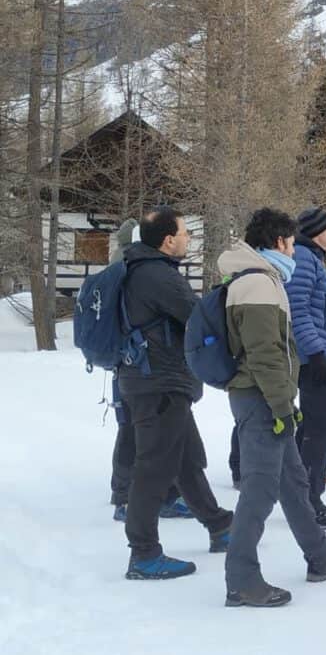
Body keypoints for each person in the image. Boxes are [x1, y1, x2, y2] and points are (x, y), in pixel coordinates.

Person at [221, 208, 326, 608]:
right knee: (260, 489)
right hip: (261, 397)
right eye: (290, 241)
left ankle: (320, 556)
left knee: (293, 483)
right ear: (281, 242)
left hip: (265, 395)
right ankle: (242, 578)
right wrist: (284, 407)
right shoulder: (259, 285)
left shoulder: (262, 278)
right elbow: (266, 354)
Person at [119, 207, 233, 580]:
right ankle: (144, 554)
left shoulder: (145, 269)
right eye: (185, 234)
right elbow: (198, 317)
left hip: (159, 381)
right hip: (159, 384)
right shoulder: (157, 275)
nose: (189, 239)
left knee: (185, 460)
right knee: (154, 468)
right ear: (168, 241)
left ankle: (218, 525)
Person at [108, 218, 190, 522]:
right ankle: (131, 500)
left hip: (127, 359)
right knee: (142, 431)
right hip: (144, 361)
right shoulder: (139, 266)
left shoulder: (123, 263)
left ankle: (127, 493)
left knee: (132, 426)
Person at [287, 207, 326, 530]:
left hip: (323, 356)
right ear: (317, 232)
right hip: (315, 361)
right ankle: (309, 501)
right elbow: (297, 311)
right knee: (319, 429)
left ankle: (301, 497)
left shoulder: (313, 259)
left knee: (317, 428)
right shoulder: (303, 258)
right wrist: (316, 353)